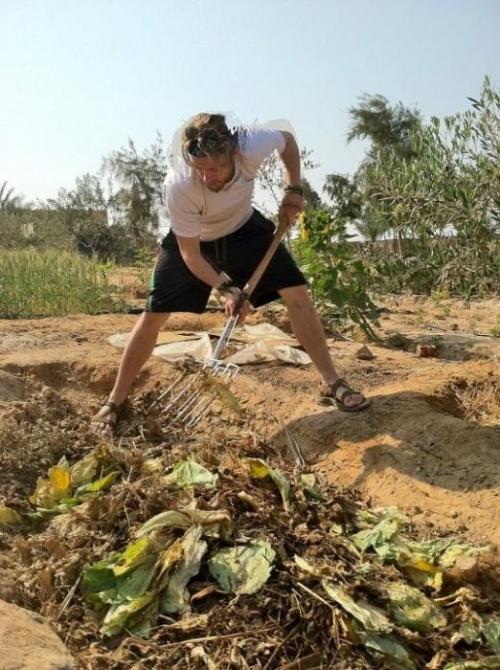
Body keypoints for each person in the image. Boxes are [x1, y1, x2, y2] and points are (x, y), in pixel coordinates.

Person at [91, 113, 370, 434]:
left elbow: (288, 141)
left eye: (215, 168)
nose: (207, 178)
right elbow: (190, 254)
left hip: (244, 230)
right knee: (154, 313)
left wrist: (293, 188)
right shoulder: (180, 183)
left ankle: (333, 382)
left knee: (297, 294)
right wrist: (226, 288)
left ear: (234, 153)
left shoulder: (252, 144)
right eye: (201, 169)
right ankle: (114, 400)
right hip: (195, 240)